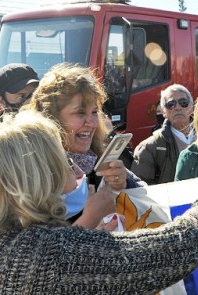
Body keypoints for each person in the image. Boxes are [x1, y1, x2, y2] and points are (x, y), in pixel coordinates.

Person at [0, 109, 198, 294]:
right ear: (37, 175)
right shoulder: (49, 254)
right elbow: (176, 249)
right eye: (61, 157)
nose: (74, 166)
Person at [24, 63, 137, 226]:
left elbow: (143, 192)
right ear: (51, 118)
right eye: (80, 113)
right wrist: (89, 220)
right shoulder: (33, 171)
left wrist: (123, 184)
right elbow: (36, 245)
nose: (91, 123)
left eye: (94, 112)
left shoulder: (97, 155)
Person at [131, 84, 195, 184]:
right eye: (171, 104)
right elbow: (140, 189)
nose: (177, 107)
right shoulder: (149, 148)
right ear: (163, 111)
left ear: (192, 108)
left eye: (183, 103)